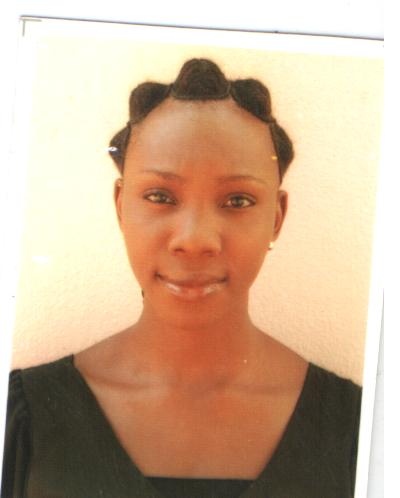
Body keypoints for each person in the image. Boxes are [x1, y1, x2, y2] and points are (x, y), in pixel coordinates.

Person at [1, 58, 361, 498]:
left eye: (237, 201)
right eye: (160, 196)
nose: (194, 240)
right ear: (121, 207)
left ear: (277, 218)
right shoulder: (22, 420)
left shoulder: (359, 430)